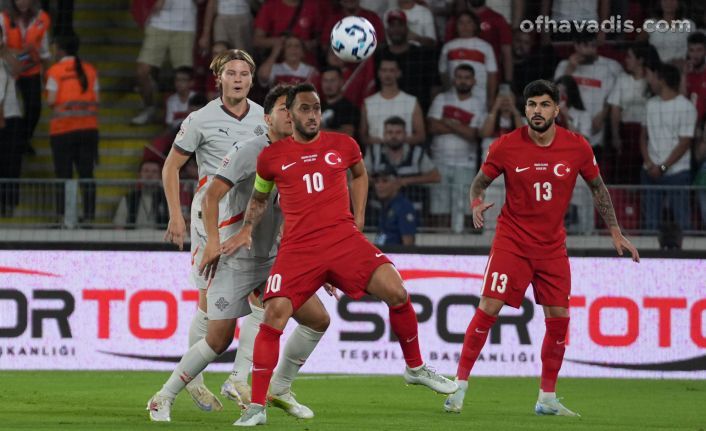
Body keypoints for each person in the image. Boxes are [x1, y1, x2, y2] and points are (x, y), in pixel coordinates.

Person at [226, 83, 457, 426]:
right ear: (289, 113)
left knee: (398, 291)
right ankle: (257, 406)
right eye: (305, 109)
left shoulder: (343, 145)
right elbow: (260, 198)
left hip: (343, 240)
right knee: (274, 314)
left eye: (317, 108)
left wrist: (359, 218)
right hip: (300, 250)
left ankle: (415, 367)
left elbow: (360, 175)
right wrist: (246, 228)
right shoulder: (272, 157)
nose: (313, 115)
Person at [443, 79, 640, 416]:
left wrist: (615, 230)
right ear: (525, 109)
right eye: (532, 105)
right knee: (489, 307)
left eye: (544, 104)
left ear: (556, 110)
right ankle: (458, 387)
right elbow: (480, 181)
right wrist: (476, 202)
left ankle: (547, 398)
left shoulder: (576, 147)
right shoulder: (506, 146)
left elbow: (598, 188)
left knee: (559, 319)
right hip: (512, 242)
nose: (537, 111)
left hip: (552, 248)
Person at [148, 85, 331, 422]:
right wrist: (214, 242)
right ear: (267, 117)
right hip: (236, 255)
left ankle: (279, 389)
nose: (291, 116)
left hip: (273, 257)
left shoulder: (300, 154)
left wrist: (321, 259)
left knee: (317, 319)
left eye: (294, 109)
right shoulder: (250, 150)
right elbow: (210, 197)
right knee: (217, 340)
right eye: (282, 110)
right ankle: (163, 396)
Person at [156, 49, 267, 419]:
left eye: (245, 74)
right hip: (211, 219)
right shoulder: (200, 119)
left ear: (252, 79)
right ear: (218, 78)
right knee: (209, 305)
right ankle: (194, 379)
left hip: (251, 220)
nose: (238, 79)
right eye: (231, 73)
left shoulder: (263, 119)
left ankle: (238, 376)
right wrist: (176, 216)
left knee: (262, 297)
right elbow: (171, 167)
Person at [45, 32, 99, 225]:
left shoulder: (55, 72)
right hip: (88, 131)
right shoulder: (90, 70)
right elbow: (96, 99)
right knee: (86, 173)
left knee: (64, 175)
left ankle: (65, 218)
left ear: (59, 49)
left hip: (62, 132)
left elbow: (51, 100)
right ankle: (89, 218)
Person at [427, 64, 486, 232]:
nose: (463, 81)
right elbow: (432, 126)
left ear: (474, 81)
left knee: (468, 210)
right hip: (439, 161)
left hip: (465, 164)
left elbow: (473, 134)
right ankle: (438, 243)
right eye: (459, 77)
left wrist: (446, 122)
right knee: (439, 210)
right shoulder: (442, 99)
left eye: (467, 77)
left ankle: (464, 244)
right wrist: (460, 126)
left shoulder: (478, 103)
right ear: (453, 79)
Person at [641, 63, 697, 232]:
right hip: (650, 171)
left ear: (662, 80)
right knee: (650, 222)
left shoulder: (686, 107)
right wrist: (650, 164)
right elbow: (643, 137)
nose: (650, 81)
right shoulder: (650, 104)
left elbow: (685, 143)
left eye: (654, 77)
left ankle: (688, 255)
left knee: (682, 220)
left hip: (677, 172)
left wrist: (663, 166)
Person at [132, 0, 207, 125]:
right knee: (142, 71)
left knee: (185, 75)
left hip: (185, 26)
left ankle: (184, 117)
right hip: (158, 22)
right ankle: (149, 107)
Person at [0, 0, 51, 154]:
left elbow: (44, 51)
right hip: (8, 71)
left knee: (34, 108)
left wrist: (46, 77)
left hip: (31, 70)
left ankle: (24, 138)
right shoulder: (3, 18)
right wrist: (21, 54)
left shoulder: (41, 18)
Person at [607, 43, 660, 185]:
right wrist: (616, 135)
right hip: (628, 133)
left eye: (629, 57)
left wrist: (651, 81)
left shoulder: (655, 80)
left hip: (651, 134)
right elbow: (615, 109)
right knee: (627, 174)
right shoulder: (622, 79)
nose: (626, 59)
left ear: (640, 60)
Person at [361, 57, 426, 147]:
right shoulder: (368, 103)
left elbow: (421, 135)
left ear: (399, 73)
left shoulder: (411, 101)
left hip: (405, 157)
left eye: (392, 70)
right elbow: (363, 137)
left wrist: (396, 142)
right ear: (379, 73)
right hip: (375, 156)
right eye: (384, 70)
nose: (387, 74)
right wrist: (379, 142)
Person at [438, 11, 497, 109]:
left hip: (479, 99)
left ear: (475, 25)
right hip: (453, 98)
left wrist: (490, 99)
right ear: (456, 26)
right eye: (461, 23)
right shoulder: (448, 47)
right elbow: (443, 73)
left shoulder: (485, 47)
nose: (465, 26)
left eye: (469, 22)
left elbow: (492, 75)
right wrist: (448, 90)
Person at [0, 23, 23, 217]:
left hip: (11, 115)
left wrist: (5, 51)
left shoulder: (11, 55)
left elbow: (22, 66)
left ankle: (9, 202)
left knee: (12, 162)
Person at [113, 160, 168, 229]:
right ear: (139, 175)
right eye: (146, 171)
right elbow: (119, 226)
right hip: (133, 238)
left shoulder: (168, 199)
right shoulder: (129, 198)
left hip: (160, 238)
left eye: (154, 172)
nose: (150, 175)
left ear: (160, 176)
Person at [373, 165, 417, 246]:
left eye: (385, 181)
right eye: (376, 181)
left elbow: (408, 243)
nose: (379, 185)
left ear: (397, 184)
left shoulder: (403, 207)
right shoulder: (385, 205)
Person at [320, 66, 359, 137]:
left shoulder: (349, 107)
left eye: (332, 80)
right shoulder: (316, 106)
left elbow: (347, 134)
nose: (328, 85)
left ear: (341, 82)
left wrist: (317, 130)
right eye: (325, 80)